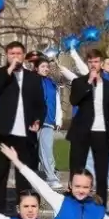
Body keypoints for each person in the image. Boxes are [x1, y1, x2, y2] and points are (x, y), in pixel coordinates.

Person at [0, 41, 45, 214]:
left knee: (23, 172)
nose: (15, 57)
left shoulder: (33, 77)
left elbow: (40, 104)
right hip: (2, 131)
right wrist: (9, 70)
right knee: (0, 171)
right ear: (6, 55)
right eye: (12, 54)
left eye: (18, 54)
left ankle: (24, 206)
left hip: (24, 132)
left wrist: (38, 120)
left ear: (24, 55)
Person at [66, 50, 109, 205]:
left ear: (101, 63)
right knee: (76, 170)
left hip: (102, 132)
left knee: (102, 174)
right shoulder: (79, 82)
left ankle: (100, 208)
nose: (93, 65)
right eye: (90, 62)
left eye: (96, 62)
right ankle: (73, 205)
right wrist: (88, 82)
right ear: (87, 64)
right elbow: (74, 101)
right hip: (81, 132)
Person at [35, 58, 64, 189]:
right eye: (42, 67)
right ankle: (46, 174)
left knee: (46, 148)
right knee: (39, 150)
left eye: (47, 67)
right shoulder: (32, 81)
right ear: (36, 68)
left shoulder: (52, 83)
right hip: (34, 121)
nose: (45, 69)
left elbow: (57, 102)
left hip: (48, 121)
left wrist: (58, 119)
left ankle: (51, 177)